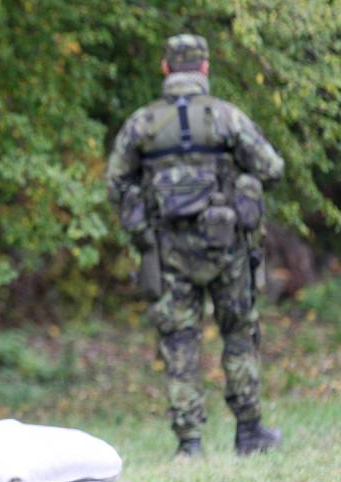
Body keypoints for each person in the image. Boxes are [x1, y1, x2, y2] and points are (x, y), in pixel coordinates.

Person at [105, 34, 283, 457]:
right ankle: (249, 432)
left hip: (167, 253)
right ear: (204, 68)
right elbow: (272, 168)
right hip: (228, 250)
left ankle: (189, 443)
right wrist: (243, 188)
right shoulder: (227, 118)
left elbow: (116, 182)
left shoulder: (143, 123)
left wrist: (142, 224)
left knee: (179, 340)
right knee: (239, 334)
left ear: (166, 68)